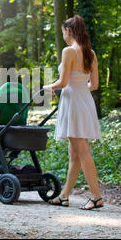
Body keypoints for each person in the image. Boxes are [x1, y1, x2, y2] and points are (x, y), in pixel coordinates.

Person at [43, 15, 104, 210]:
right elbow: (93, 85)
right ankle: (64, 196)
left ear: (68, 31)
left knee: (82, 150)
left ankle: (96, 197)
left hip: (73, 103)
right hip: (84, 100)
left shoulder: (68, 51)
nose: (63, 35)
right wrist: (79, 87)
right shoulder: (91, 54)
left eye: (63, 32)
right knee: (74, 154)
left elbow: (62, 83)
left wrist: (46, 87)